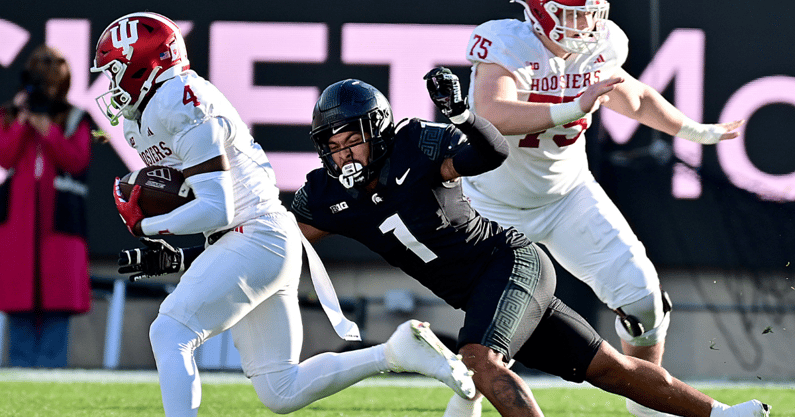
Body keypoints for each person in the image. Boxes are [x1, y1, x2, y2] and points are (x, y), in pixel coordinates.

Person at [288, 69, 769, 417]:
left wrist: (461, 114)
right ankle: (728, 415)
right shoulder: (326, 194)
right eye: (330, 145)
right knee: (609, 368)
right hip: (482, 292)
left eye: (350, 141)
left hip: (510, 262)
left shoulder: (417, 144)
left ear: (376, 131)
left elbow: (491, 151)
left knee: (479, 360)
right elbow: (282, 245)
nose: (341, 154)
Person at [93, 12, 474, 417]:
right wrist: (177, 249)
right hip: (252, 239)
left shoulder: (178, 99)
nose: (111, 84)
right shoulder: (148, 115)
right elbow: (199, 199)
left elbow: (217, 206)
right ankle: (396, 351)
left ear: (143, 66)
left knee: (170, 332)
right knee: (281, 389)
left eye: (116, 71)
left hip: (254, 237)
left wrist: (145, 223)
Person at [458, 1, 745, 415]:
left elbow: (636, 97)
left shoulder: (604, 44)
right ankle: (463, 404)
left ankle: (645, 401)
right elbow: (491, 113)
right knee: (494, 332)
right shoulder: (507, 42)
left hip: (568, 195)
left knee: (643, 297)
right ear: (539, 10)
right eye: (573, 13)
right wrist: (575, 105)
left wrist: (695, 131)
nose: (587, 23)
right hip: (492, 205)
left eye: (593, 11)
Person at [0, 45, 103, 367]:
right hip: (18, 230)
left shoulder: (76, 118)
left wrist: (48, 129)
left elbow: (77, 161)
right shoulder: (9, 115)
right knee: (19, 309)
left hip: (59, 230)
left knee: (57, 309)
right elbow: (5, 156)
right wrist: (22, 120)